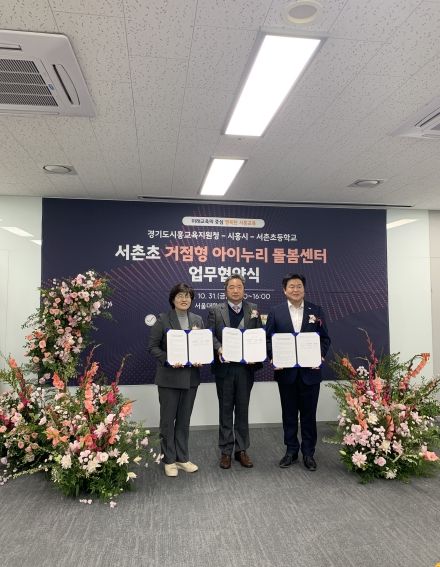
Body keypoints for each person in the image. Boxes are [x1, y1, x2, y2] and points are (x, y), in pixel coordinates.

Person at [265, 273, 331, 471]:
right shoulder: (276, 311)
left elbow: (325, 338)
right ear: (284, 290)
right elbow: (268, 339)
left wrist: (319, 355)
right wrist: (273, 357)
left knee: (309, 416)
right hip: (286, 373)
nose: (296, 289)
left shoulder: (316, 310)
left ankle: (309, 453)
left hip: (310, 373)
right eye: (291, 286)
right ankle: (291, 451)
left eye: (299, 286)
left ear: (304, 289)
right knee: (289, 414)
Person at [207, 274, 263, 469]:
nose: (236, 290)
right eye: (231, 287)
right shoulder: (216, 310)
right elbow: (210, 334)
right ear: (226, 290)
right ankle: (225, 451)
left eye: (239, 286)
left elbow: (258, 334)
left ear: (244, 290)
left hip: (245, 369)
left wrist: (256, 352)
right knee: (225, 410)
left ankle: (241, 450)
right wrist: (219, 348)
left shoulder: (253, 309)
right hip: (224, 368)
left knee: (242, 409)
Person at [148, 283, 203, 477]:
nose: (184, 299)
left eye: (187, 296)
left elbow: (202, 345)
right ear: (173, 299)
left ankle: (182, 458)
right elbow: (152, 347)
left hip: (190, 379)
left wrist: (201, 357)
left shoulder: (197, 320)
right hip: (169, 379)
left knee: (184, 421)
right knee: (167, 421)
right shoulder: (163, 320)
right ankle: (169, 460)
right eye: (180, 295)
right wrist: (169, 359)